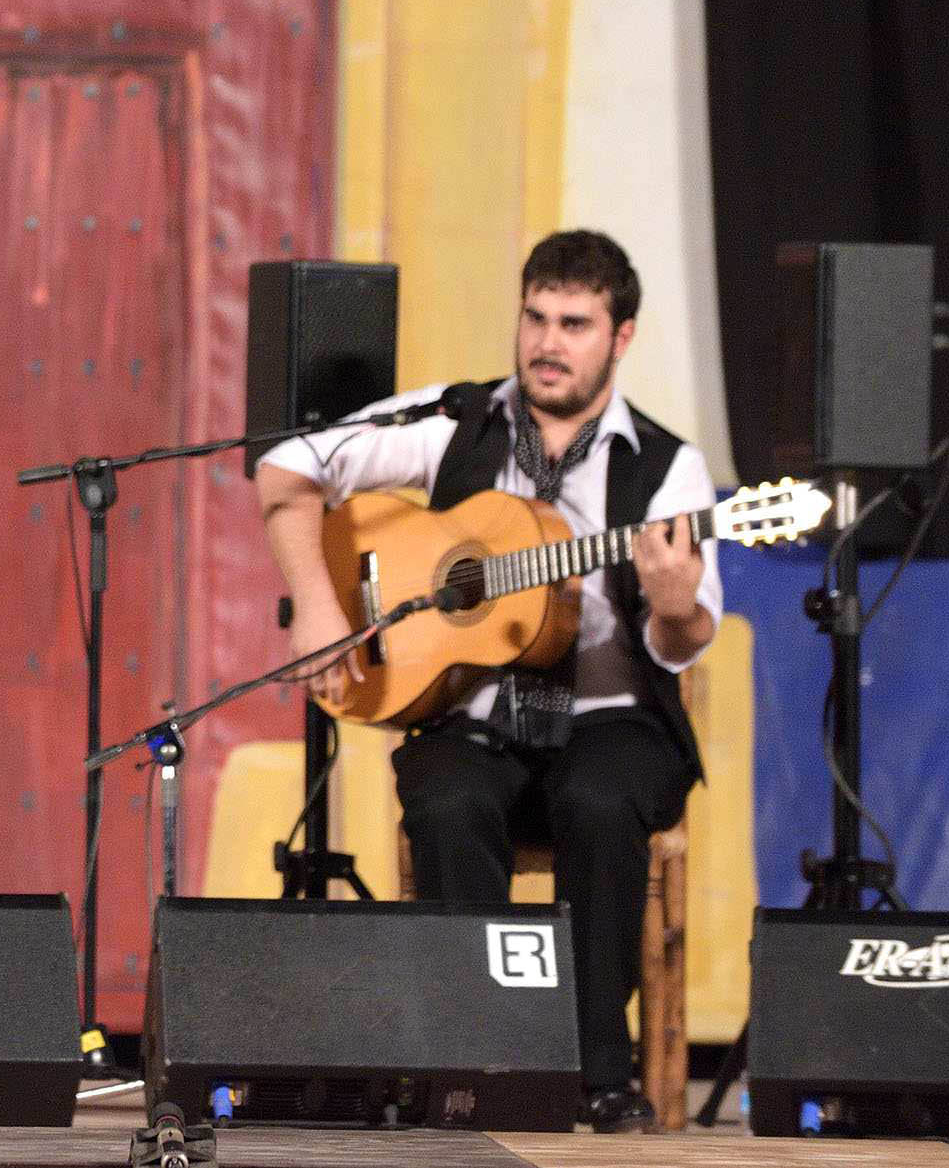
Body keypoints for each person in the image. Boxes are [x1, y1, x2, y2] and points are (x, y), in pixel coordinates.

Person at [253, 231, 720, 1132]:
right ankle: (479, 1059)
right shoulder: (455, 419)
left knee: (598, 797)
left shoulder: (671, 469)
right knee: (447, 798)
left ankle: (597, 1072)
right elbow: (290, 464)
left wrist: (673, 602)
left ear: (621, 337)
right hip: (475, 715)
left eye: (575, 324)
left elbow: (684, 641)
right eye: (536, 317)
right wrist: (316, 602)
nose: (549, 342)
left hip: (607, 719)